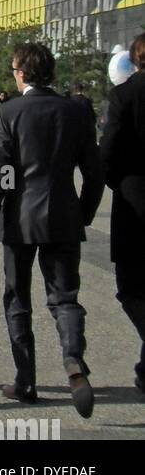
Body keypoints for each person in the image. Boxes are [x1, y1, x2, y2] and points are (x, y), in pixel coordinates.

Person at [0, 41, 103, 416]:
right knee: (65, 297)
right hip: (63, 215)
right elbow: (94, 172)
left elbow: (0, 175)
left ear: (23, 72)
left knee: (17, 298)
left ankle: (25, 379)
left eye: (14, 70)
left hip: (19, 219)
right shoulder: (75, 111)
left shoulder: (9, 112)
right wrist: (84, 213)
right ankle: (73, 360)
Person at [98, 33, 145, 396]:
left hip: (136, 200)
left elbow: (109, 148)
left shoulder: (125, 94)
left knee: (130, 286)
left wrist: (115, 181)